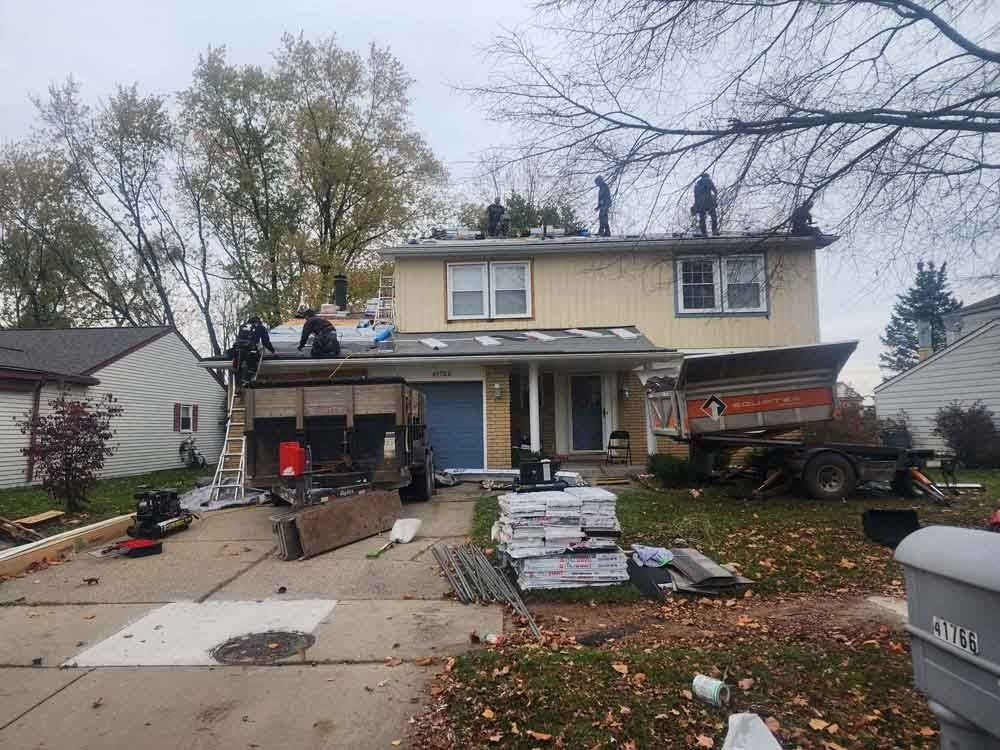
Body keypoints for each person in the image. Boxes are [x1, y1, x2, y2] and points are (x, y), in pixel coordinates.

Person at [231, 316, 274, 389]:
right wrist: (273, 351)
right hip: (250, 349)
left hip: (237, 349)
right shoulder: (260, 327)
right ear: (258, 322)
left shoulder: (242, 326)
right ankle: (246, 382)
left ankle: (238, 386)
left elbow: (240, 338)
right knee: (252, 367)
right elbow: (266, 342)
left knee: (237, 368)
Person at [693, 173, 719, 237]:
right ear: (707, 176)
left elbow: (695, 196)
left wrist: (696, 205)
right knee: (713, 216)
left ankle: (704, 232)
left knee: (702, 218)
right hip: (709, 201)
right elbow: (715, 191)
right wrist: (714, 199)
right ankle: (714, 231)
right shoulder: (708, 180)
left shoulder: (697, 184)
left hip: (700, 203)